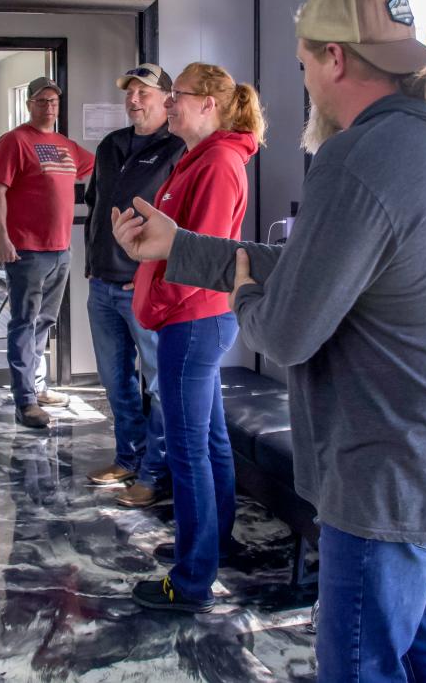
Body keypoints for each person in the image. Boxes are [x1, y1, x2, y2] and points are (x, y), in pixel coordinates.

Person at [113, 0, 426, 678]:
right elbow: (312, 264)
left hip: (382, 471)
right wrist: (183, 247)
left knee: (358, 663)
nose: (306, 86)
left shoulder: (358, 156)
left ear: (336, 60)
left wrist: (251, 295)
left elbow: (285, 330)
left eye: (304, 65)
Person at [122, 62, 265, 613]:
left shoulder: (220, 162)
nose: (169, 104)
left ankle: (190, 580)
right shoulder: (202, 158)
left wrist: (154, 303)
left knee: (187, 451)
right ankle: (209, 546)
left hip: (193, 321)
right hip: (197, 319)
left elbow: (198, 259)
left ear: (208, 104)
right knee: (208, 442)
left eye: (177, 95)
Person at [83, 63, 185, 508]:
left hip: (144, 288)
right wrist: (92, 264)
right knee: (115, 380)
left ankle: (154, 473)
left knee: (158, 383)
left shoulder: (177, 148)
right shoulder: (110, 146)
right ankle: (128, 457)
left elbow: (182, 224)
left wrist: (156, 276)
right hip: (102, 285)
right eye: (130, 93)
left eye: (144, 92)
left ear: (167, 99)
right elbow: (96, 205)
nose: (134, 99)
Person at [0, 76, 95, 429]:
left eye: (53, 101)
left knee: (46, 322)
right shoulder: (15, 141)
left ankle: (37, 385)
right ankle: (25, 401)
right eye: (41, 101)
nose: (48, 106)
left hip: (61, 250)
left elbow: (101, 165)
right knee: (24, 322)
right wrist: (2, 236)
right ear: (29, 104)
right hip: (27, 251)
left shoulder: (66, 146)